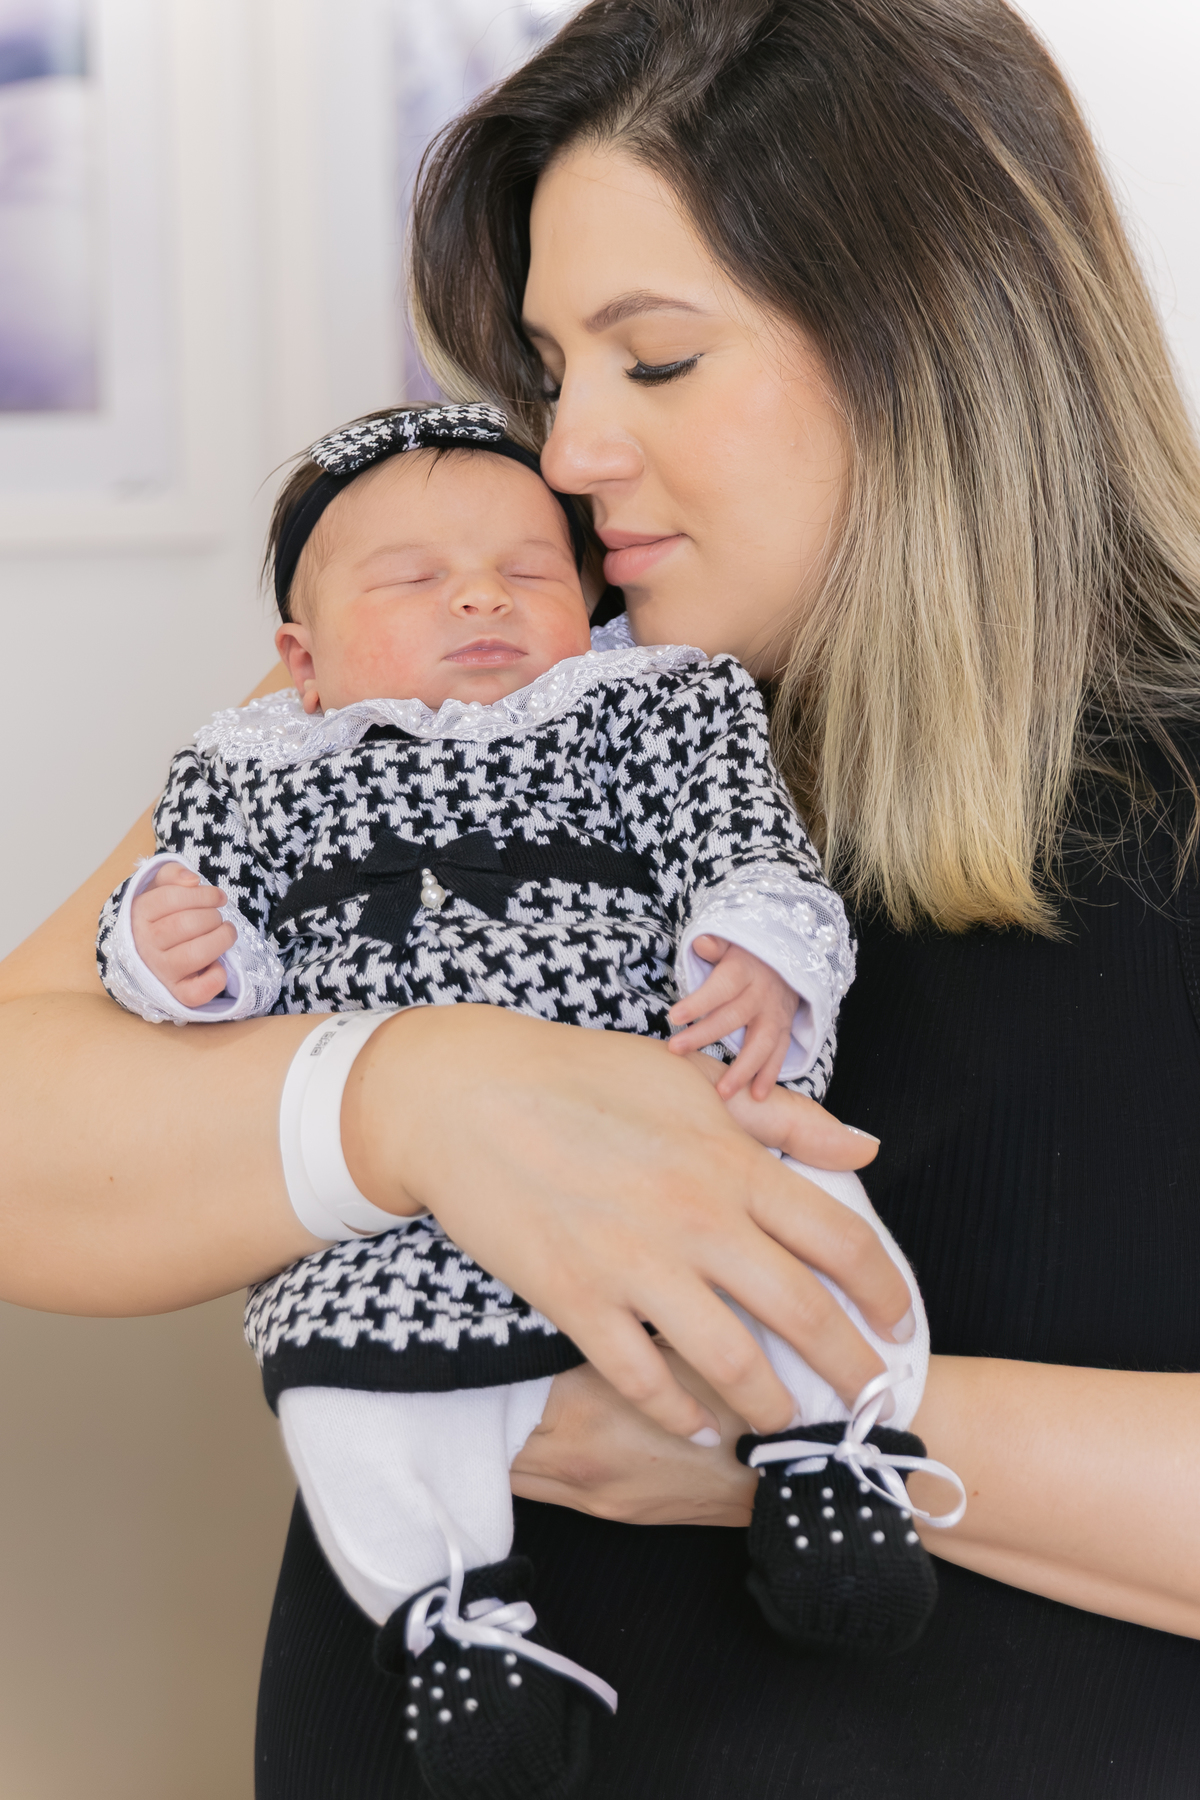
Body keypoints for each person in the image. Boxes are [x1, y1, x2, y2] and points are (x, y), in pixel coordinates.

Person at [2, 0, 1198, 1795]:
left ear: (934, 341)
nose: (563, 457)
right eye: (553, 371)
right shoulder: (451, 700)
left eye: (657, 361)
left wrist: (796, 1427)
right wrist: (412, 1095)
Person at [99, 398, 959, 1799]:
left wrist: (757, 951)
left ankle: (834, 1461)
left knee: (805, 1219)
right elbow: (190, 966)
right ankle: (451, 1620)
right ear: (302, 660)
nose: (481, 596)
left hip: (661, 1101)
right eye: (414, 578)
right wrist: (171, 950)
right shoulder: (252, 771)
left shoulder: (650, 706)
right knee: (344, 1382)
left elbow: (744, 843)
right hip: (400, 1205)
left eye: (526, 568)